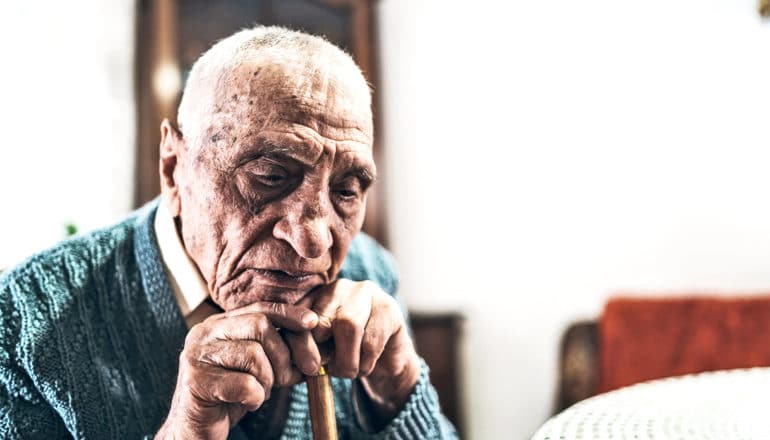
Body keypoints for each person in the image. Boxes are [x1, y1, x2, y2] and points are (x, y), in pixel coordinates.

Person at [0, 26, 457, 439]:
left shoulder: (369, 271)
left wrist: (399, 391)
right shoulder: (22, 323)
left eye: (347, 190)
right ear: (173, 167)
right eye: (270, 176)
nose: (315, 242)